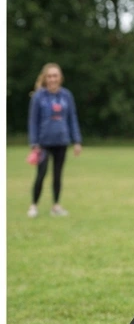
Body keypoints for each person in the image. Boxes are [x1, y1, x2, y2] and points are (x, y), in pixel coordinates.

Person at [27, 62, 82, 218]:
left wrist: (76, 141)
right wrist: (34, 143)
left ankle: (56, 206)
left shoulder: (66, 95)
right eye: (49, 76)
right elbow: (33, 121)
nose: (52, 79)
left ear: (60, 78)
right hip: (43, 143)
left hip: (61, 141)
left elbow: (72, 119)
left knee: (58, 175)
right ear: (45, 78)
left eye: (55, 76)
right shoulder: (39, 96)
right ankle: (33, 205)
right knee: (41, 174)